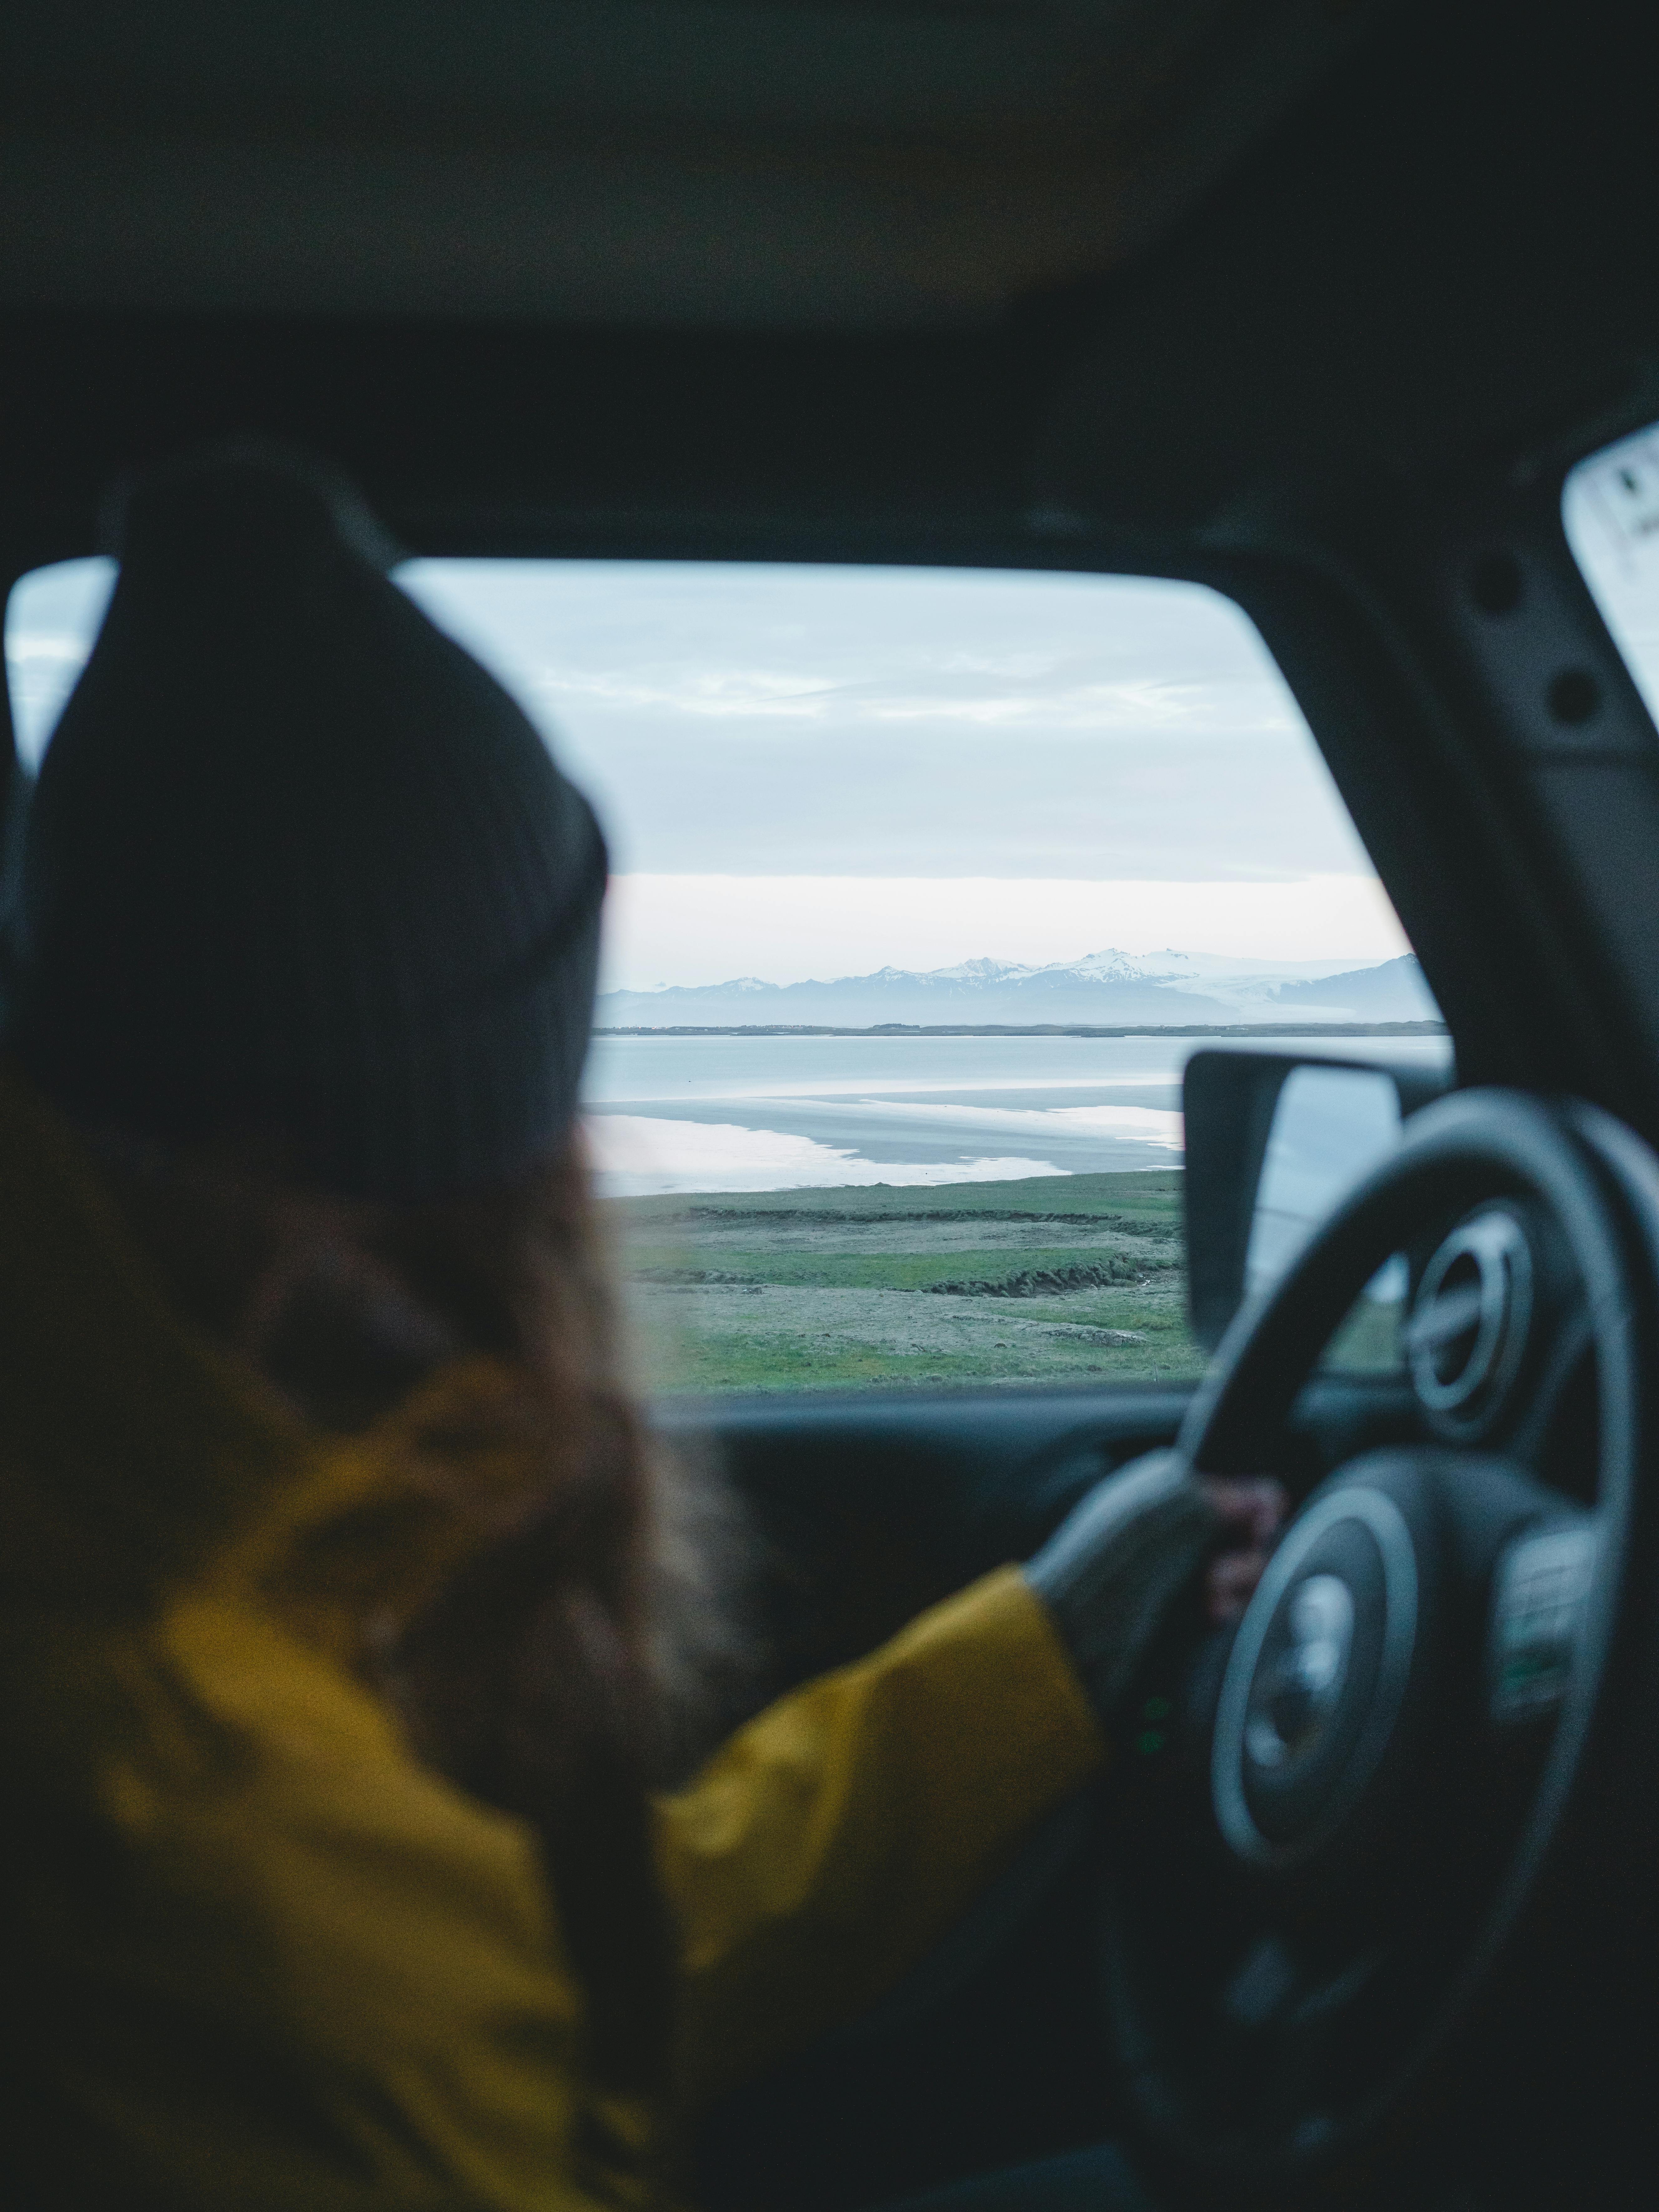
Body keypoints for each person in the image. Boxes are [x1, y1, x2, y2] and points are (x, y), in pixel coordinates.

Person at [0, 446, 1280, 2211]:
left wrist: (1038, 1658)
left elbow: (563, 1963)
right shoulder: (198, 1828)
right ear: (459, 1154)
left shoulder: (163, 1553)